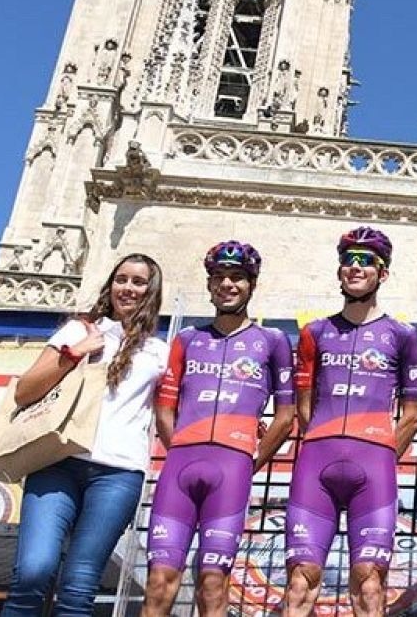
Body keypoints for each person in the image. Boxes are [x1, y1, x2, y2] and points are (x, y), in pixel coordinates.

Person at [3, 254, 170, 617]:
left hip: (118, 473)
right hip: (57, 461)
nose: (128, 288)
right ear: (110, 285)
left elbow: (173, 410)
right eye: (121, 279)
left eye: (138, 282)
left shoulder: (160, 352)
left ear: (151, 291)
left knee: (80, 587)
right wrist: (75, 353)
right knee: (32, 572)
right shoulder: (79, 331)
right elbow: (24, 391)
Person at [141, 242, 296, 617]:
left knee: (213, 586)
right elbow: (165, 408)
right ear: (210, 284)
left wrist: (251, 460)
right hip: (179, 468)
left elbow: (287, 415)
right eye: (219, 277)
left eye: (237, 277)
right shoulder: (188, 340)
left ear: (251, 285)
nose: (227, 284)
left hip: (232, 470)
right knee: (159, 583)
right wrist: (179, 447)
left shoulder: (272, 342)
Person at [283, 227, 417, 617]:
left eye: (367, 261)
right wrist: (325, 439)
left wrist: (379, 453)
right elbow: (305, 407)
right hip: (317, 464)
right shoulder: (315, 332)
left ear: (383, 274)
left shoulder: (403, 336)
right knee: (300, 582)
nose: (356, 268)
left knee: (370, 582)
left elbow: (413, 414)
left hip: (373, 467)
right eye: (349, 260)